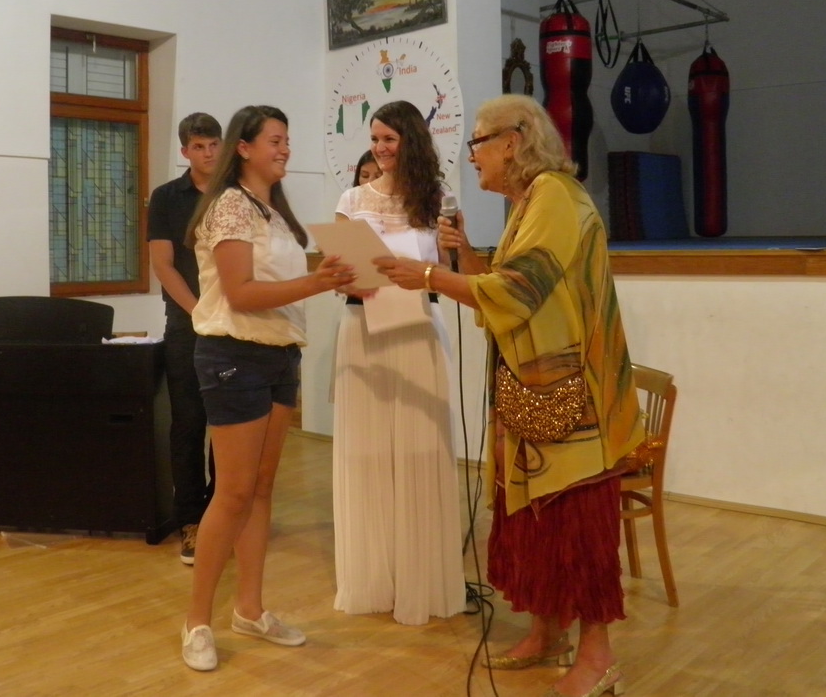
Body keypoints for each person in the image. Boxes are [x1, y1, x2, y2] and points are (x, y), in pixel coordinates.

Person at [373, 95, 643, 697]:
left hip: (574, 403)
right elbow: (502, 287)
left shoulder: (556, 195)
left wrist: (427, 276)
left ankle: (599, 657)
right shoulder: (528, 202)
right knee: (535, 521)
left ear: (512, 142)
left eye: (477, 142)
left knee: (576, 529)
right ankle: (548, 634)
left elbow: (519, 292)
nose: (471, 155)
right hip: (533, 394)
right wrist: (464, 256)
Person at [179, 105, 356, 672]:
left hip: (279, 354)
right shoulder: (231, 205)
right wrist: (316, 281)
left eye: (287, 140)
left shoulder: (273, 212)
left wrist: (332, 275)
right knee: (232, 493)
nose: (285, 149)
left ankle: (249, 609)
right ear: (245, 148)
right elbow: (240, 293)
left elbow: (278, 286)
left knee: (260, 488)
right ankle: (196, 621)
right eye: (275, 140)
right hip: (234, 354)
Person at [332, 100, 466, 626]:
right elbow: (339, 272)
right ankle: (373, 578)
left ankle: (421, 581)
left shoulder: (439, 199)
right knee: (366, 454)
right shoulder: (352, 199)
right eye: (375, 139)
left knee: (419, 450)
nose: (381, 148)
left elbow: (455, 274)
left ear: (411, 140)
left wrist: (454, 249)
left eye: (389, 138)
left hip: (418, 327)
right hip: (362, 328)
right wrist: (347, 273)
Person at [148, 112, 222, 565]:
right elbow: (163, 264)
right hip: (187, 324)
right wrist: (199, 312)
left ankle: (221, 515)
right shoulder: (166, 197)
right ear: (185, 151)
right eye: (199, 146)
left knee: (229, 427)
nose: (208, 153)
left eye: (214, 145)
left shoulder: (236, 193)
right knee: (189, 424)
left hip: (233, 322)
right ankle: (190, 520)